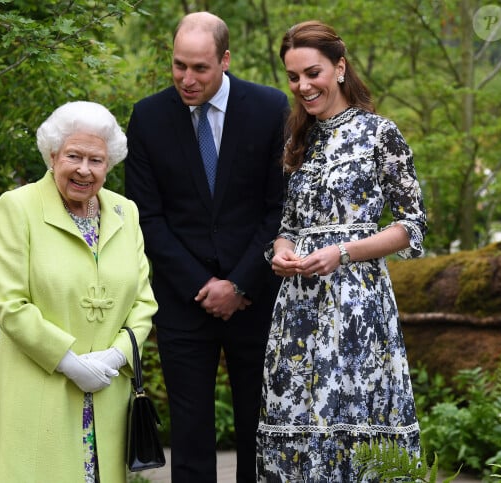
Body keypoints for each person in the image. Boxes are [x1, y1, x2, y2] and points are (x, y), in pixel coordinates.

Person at [256, 20, 427, 482]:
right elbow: (288, 225)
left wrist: (344, 252)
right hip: (298, 310)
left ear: (340, 68)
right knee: (296, 429)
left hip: (357, 305)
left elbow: (412, 226)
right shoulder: (299, 140)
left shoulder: (380, 133)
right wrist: (282, 251)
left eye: (312, 73)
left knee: (353, 425)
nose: (303, 86)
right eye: (293, 77)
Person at [124, 11, 289, 482]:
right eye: (179, 66)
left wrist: (239, 283)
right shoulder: (149, 116)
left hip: (256, 296)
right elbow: (146, 217)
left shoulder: (269, 107)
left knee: (260, 432)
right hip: (183, 300)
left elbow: (279, 208)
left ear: (225, 60)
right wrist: (204, 285)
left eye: (200, 68)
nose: (187, 79)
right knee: (191, 436)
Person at [0, 101, 157, 483]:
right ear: (52, 156)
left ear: (108, 164)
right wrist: (71, 363)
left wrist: (116, 357)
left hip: (107, 394)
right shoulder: (18, 207)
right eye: (73, 156)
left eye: (96, 160)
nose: (84, 169)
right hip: (41, 392)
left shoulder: (124, 212)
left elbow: (143, 300)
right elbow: (9, 303)